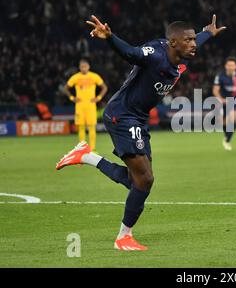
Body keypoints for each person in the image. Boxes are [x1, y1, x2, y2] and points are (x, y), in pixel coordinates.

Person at [56, 14, 226, 251]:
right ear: (173, 42)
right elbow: (131, 53)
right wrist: (109, 37)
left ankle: (86, 156)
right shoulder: (155, 54)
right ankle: (123, 237)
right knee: (145, 179)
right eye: (188, 40)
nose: (194, 44)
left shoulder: (182, 50)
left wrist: (209, 32)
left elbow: (198, 39)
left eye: (194, 39)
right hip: (122, 115)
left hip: (138, 118)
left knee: (137, 180)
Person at [63, 59, 108, 152]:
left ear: (88, 67)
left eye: (85, 66)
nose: (84, 68)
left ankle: (93, 149)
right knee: (81, 127)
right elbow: (65, 88)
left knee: (92, 127)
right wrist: (72, 98)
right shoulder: (75, 77)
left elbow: (104, 87)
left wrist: (98, 98)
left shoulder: (94, 76)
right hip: (80, 106)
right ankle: (82, 149)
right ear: (79, 67)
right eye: (82, 67)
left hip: (91, 106)